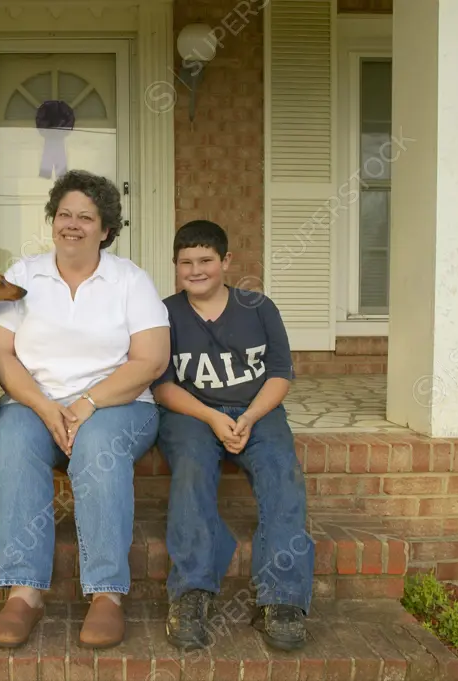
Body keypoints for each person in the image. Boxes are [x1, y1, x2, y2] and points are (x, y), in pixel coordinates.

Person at [0, 170, 170, 649]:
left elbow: (151, 359)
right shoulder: (24, 275)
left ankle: (107, 593)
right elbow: (0, 350)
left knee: (99, 444)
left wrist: (88, 402)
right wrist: (45, 407)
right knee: (16, 440)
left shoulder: (130, 280)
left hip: (120, 403)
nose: (72, 224)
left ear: (106, 229)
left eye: (86, 217)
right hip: (36, 398)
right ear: (52, 221)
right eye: (64, 214)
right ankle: (24, 590)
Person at [151, 219, 313, 652]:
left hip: (258, 410)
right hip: (192, 412)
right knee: (191, 469)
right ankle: (191, 592)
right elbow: (162, 386)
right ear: (175, 266)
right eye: (186, 262)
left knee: (282, 472)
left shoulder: (257, 306)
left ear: (226, 261)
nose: (196, 269)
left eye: (205, 260)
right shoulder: (164, 314)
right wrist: (211, 417)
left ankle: (281, 599)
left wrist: (251, 415)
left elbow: (280, 374)